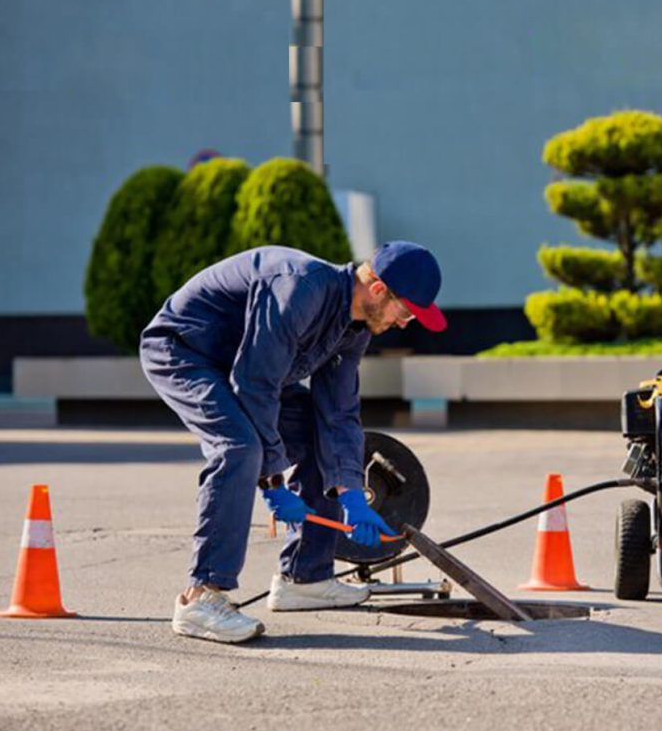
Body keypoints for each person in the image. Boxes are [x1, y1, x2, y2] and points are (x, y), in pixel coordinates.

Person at [139, 241, 446, 643]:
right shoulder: (299, 288)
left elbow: (337, 413)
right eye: (405, 311)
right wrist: (271, 480)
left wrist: (351, 491)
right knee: (240, 447)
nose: (406, 322)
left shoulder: (354, 329)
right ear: (377, 290)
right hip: (186, 353)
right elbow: (255, 384)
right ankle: (201, 598)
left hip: (244, 371)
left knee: (319, 432)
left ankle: (305, 577)